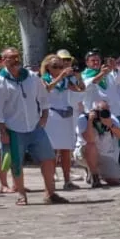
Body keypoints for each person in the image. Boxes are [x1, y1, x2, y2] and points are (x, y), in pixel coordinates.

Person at [0, 46, 65, 206]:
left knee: (49, 158)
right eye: (10, 58)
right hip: (13, 128)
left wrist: (44, 116)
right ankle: (21, 194)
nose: (15, 60)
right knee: (16, 162)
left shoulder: (31, 77)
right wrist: (3, 132)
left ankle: (50, 193)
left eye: (17, 57)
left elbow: (43, 98)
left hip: (35, 126)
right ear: (2, 62)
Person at [41, 53, 86, 190]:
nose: (60, 68)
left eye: (61, 66)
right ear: (48, 67)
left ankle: (67, 180)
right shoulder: (44, 78)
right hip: (52, 115)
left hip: (65, 115)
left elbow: (80, 89)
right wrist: (61, 76)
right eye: (56, 66)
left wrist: (78, 78)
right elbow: (46, 89)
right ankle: (51, 179)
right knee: (52, 150)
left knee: (66, 149)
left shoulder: (67, 80)